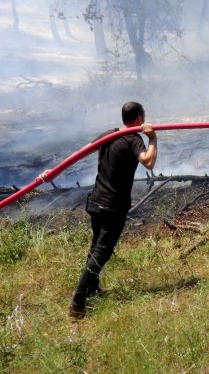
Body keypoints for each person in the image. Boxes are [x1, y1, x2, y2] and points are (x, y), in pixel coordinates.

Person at [68, 101, 157, 317]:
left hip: (96, 201)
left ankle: (92, 287)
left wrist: (55, 170)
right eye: (143, 118)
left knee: (96, 245)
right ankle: (78, 302)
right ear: (138, 119)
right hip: (112, 207)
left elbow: (82, 152)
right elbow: (148, 162)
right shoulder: (134, 140)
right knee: (101, 252)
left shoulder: (109, 134)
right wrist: (152, 138)